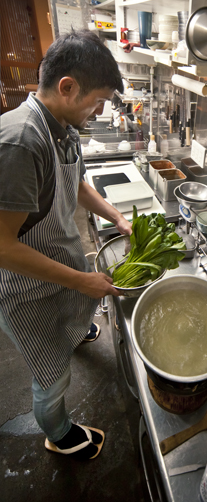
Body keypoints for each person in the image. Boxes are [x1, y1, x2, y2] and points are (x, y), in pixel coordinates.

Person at [0, 30, 132, 460]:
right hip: (24, 291)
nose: (98, 112)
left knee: (74, 318)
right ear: (67, 87)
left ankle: (72, 331)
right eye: (97, 101)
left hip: (58, 265)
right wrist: (81, 280)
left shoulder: (61, 124)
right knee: (51, 374)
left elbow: (74, 184)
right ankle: (57, 432)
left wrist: (114, 215)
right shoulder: (21, 141)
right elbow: (2, 247)